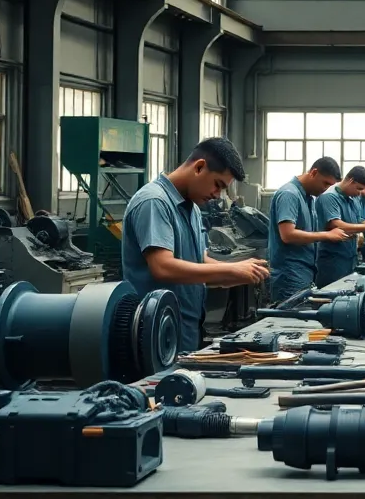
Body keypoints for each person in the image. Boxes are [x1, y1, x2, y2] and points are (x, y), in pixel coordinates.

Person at [122, 138, 270, 353]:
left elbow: (198, 261)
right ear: (199, 167)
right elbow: (162, 267)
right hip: (153, 330)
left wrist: (236, 274)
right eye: (218, 185)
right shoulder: (154, 202)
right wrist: (230, 268)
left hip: (185, 328)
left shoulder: (191, 208)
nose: (217, 195)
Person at [267, 157, 349, 303]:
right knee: (290, 321)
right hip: (290, 274)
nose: (325, 189)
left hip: (304, 271)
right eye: (325, 183)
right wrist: (327, 235)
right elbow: (288, 235)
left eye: (329, 186)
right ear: (314, 172)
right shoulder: (289, 194)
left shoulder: (309, 198)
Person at [316, 166, 365, 287]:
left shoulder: (352, 198)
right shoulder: (329, 197)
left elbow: (357, 220)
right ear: (351, 181)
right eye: (358, 189)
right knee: (332, 295)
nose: (359, 193)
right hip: (333, 259)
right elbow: (337, 225)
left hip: (350, 256)